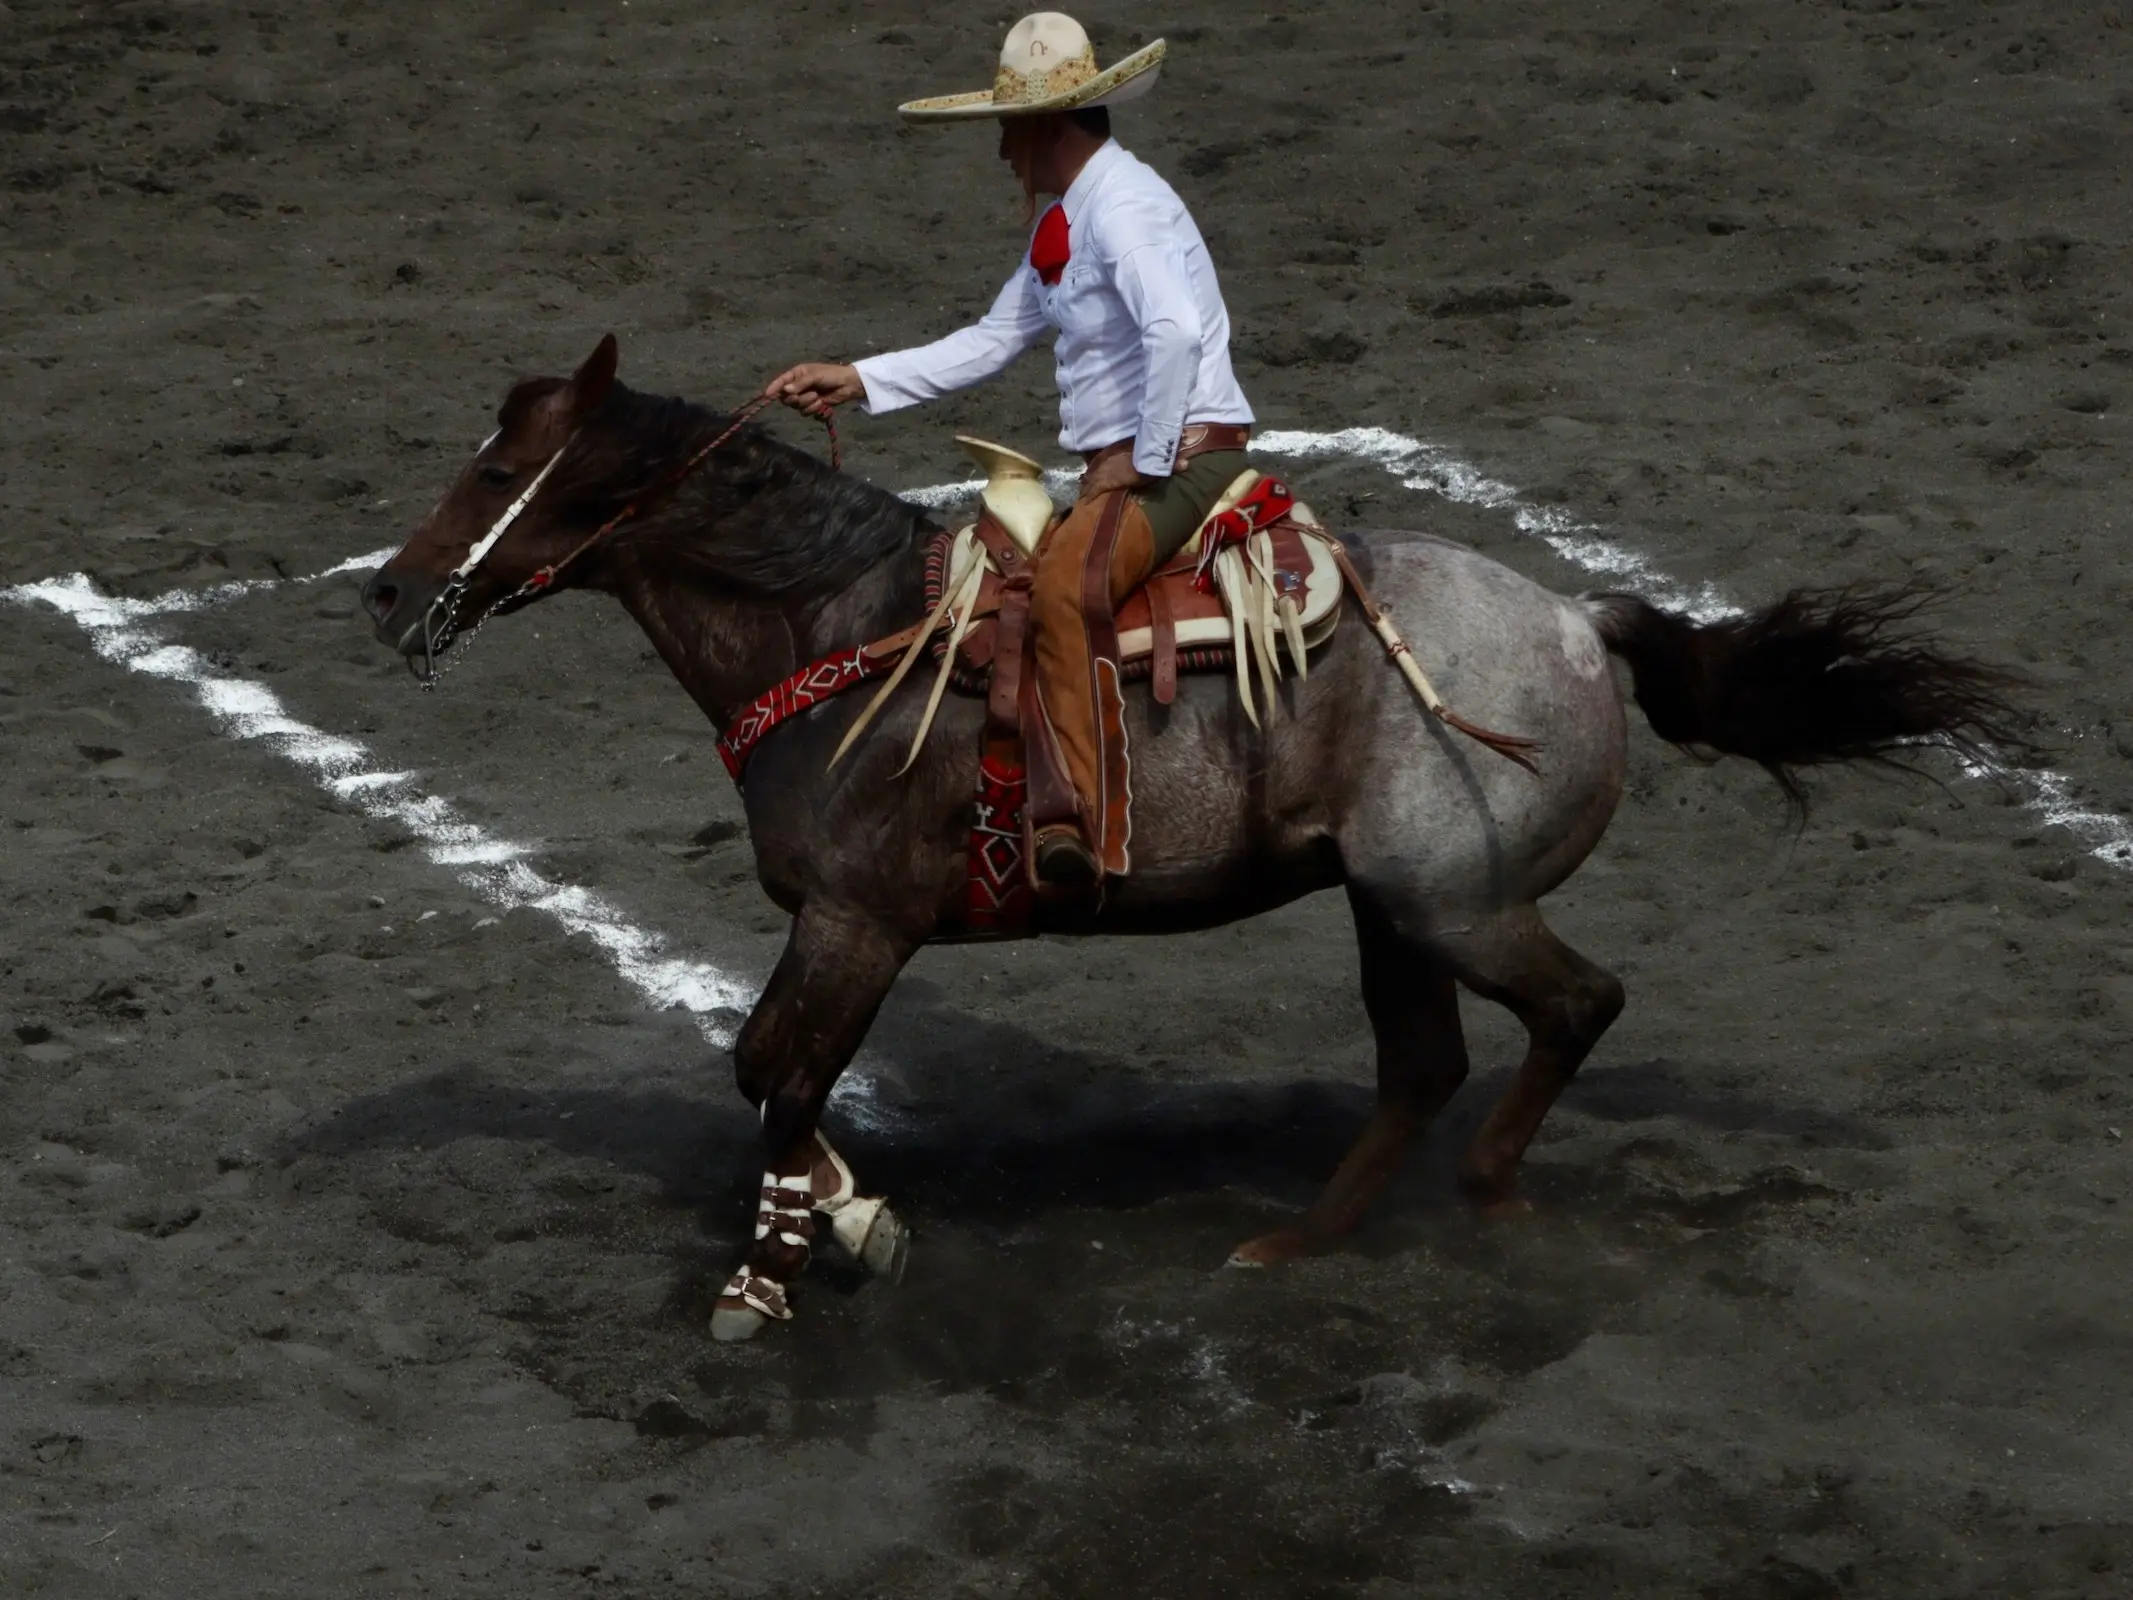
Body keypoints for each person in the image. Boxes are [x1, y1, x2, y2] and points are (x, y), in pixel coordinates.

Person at [763, 12, 1255, 888]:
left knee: (1065, 591)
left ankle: (1083, 821)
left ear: (1042, 126)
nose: (1000, 152)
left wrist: (1142, 460)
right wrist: (859, 378)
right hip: (1135, 462)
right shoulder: (1069, 219)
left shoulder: (1128, 208)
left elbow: (1176, 335)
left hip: (1183, 459)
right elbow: (992, 340)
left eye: (1004, 129)